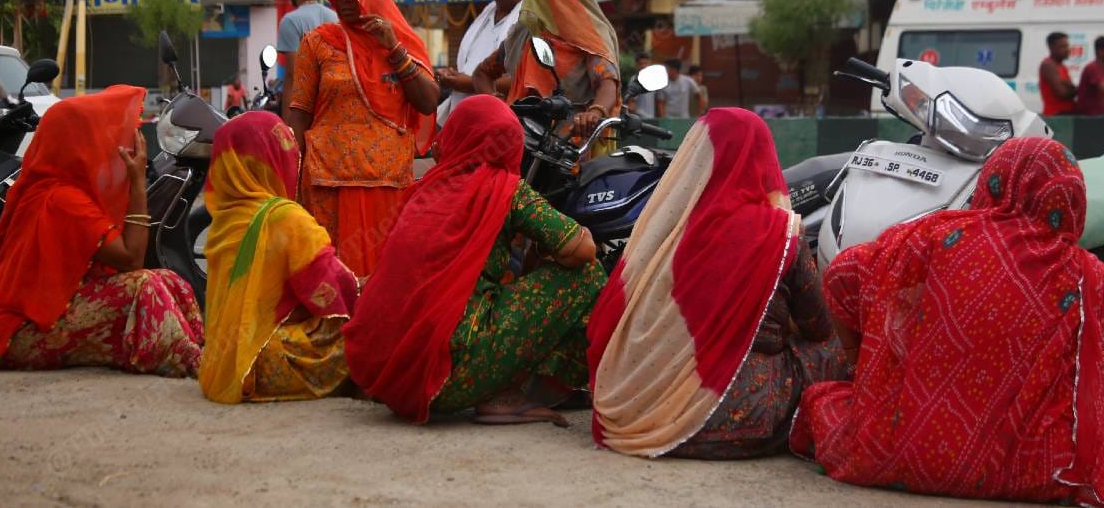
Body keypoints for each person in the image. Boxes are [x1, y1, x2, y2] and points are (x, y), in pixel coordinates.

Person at [789, 138, 1104, 507]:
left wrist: (862, 363)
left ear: (992, 180)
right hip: (1035, 467)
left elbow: (840, 277)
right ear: (1070, 198)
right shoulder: (1090, 278)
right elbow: (1084, 384)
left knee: (822, 400)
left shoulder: (935, 237)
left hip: (903, 447)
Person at [586, 108, 848, 458]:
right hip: (745, 417)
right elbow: (818, 326)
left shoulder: (663, 233)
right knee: (834, 346)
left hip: (635, 410)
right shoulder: (780, 234)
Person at [344, 95, 606, 427]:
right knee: (588, 275)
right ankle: (514, 393)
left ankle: (499, 390)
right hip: (452, 374)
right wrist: (560, 245)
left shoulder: (422, 191)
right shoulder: (505, 189)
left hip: (395, 381)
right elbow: (583, 250)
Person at [0, 86, 202, 376]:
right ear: (79, 145)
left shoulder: (61, 188)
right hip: (20, 333)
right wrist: (136, 186)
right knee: (145, 288)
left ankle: (196, 351)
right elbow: (132, 259)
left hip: (46, 317)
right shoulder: (62, 199)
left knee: (171, 281)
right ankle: (195, 365)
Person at [288, 0, 440, 278]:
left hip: (385, 181)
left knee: (385, 276)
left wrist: (393, 48)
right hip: (327, 180)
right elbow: (299, 111)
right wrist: (292, 169)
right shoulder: (318, 42)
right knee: (327, 276)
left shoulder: (400, 41)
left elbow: (428, 102)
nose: (343, 3)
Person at [199, 112, 360, 404]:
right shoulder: (286, 218)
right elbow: (334, 291)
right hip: (270, 357)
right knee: (368, 332)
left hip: (222, 364)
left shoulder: (223, 222)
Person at [472, 0, 620, 140]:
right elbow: (481, 74)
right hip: (520, 145)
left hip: (570, 150)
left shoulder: (589, 33)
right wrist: (497, 106)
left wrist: (595, 113)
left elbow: (608, 82)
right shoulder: (525, 32)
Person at [436, 0, 528, 126]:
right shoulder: (485, 16)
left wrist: (467, 82)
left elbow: (526, 82)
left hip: (506, 126)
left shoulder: (530, 22)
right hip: (466, 122)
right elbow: (472, 65)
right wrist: (453, 76)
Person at [277, 0, 338, 120]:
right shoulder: (335, 18)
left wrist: (287, 123)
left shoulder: (290, 21)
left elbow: (292, 74)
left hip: (306, 108)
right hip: (334, 103)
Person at [1039, 31, 1077, 116]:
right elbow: (1062, 93)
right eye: (1063, 47)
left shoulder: (1062, 66)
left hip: (1067, 113)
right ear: (1052, 48)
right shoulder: (1048, 65)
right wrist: (1081, 89)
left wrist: (1073, 88)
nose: (1067, 49)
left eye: (1067, 46)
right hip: (1057, 116)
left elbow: (1070, 87)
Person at [625, 53, 659, 119]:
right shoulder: (634, 80)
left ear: (650, 64)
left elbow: (658, 101)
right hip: (639, 118)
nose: (643, 66)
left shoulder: (654, 79)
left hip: (652, 118)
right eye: (640, 64)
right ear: (636, 65)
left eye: (645, 63)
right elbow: (631, 102)